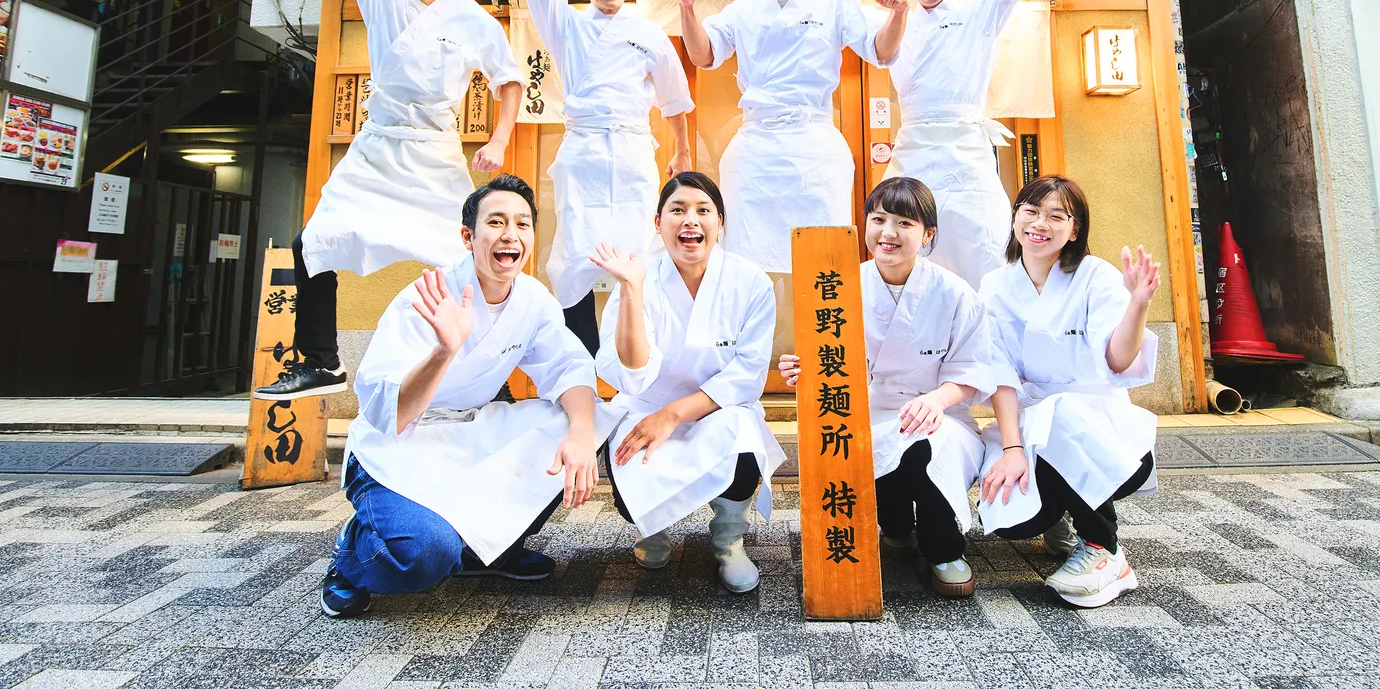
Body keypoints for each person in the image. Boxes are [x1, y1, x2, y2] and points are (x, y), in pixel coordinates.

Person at [257, 0, 524, 400]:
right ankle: (322, 361)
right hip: (377, 146)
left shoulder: (474, 20)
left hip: (434, 152)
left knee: (475, 257)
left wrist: (500, 139)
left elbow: (510, 81)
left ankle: (489, 378)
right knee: (312, 243)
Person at [320, 174, 622, 617]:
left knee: (582, 421)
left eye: (522, 224)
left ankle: (491, 552)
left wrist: (580, 433)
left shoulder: (533, 299)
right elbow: (389, 413)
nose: (510, 234)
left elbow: (568, 367)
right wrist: (444, 350)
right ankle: (350, 559)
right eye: (496, 222)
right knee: (426, 556)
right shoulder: (426, 297)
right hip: (399, 446)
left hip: (469, 431)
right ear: (467, 236)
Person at [778, 177, 1017, 598]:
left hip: (939, 412)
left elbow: (972, 371)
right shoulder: (838, 287)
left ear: (928, 234)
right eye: (878, 219)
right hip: (864, 410)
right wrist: (805, 372)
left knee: (927, 448)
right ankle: (896, 529)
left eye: (904, 223)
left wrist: (936, 400)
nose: (888, 232)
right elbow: (827, 359)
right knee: (865, 443)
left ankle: (944, 550)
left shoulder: (954, 293)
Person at [886, 0, 1098, 289]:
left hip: (966, 152)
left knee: (987, 253)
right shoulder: (895, 24)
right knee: (904, 257)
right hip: (912, 151)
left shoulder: (978, 13)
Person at [677, 0, 910, 275]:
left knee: (824, 253)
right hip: (755, 148)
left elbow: (881, 51)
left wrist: (898, 14)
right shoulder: (742, 11)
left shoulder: (835, 5)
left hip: (814, 146)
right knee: (747, 257)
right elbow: (703, 55)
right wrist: (688, 9)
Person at [588, 171, 784, 593]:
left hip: (716, 409)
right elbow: (632, 371)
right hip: (646, 408)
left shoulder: (750, 281)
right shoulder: (638, 277)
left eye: (703, 210)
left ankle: (729, 540)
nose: (690, 220)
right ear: (658, 223)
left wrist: (674, 415)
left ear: (720, 223)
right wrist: (631, 290)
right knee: (628, 465)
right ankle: (651, 528)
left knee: (742, 431)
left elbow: (747, 374)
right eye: (677, 210)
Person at [524, 0, 694, 353]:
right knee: (576, 252)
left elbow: (674, 98)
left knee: (642, 252)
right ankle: (579, 360)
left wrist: (682, 151)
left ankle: (638, 357)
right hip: (584, 152)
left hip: (634, 151)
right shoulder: (567, 27)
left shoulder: (649, 34)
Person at [975, 174, 1160, 609]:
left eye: (1056, 216)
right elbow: (1000, 374)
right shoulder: (995, 285)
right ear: (1015, 218)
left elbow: (1118, 360)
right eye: (1031, 211)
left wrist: (1139, 303)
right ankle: (1056, 513)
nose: (1040, 224)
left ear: (1074, 230)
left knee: (1062, 413)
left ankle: (1104, 548)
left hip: (1098, 428)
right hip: (1029, 422)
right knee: (1008, 518)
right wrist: (1012, 449)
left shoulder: (1096, 276)